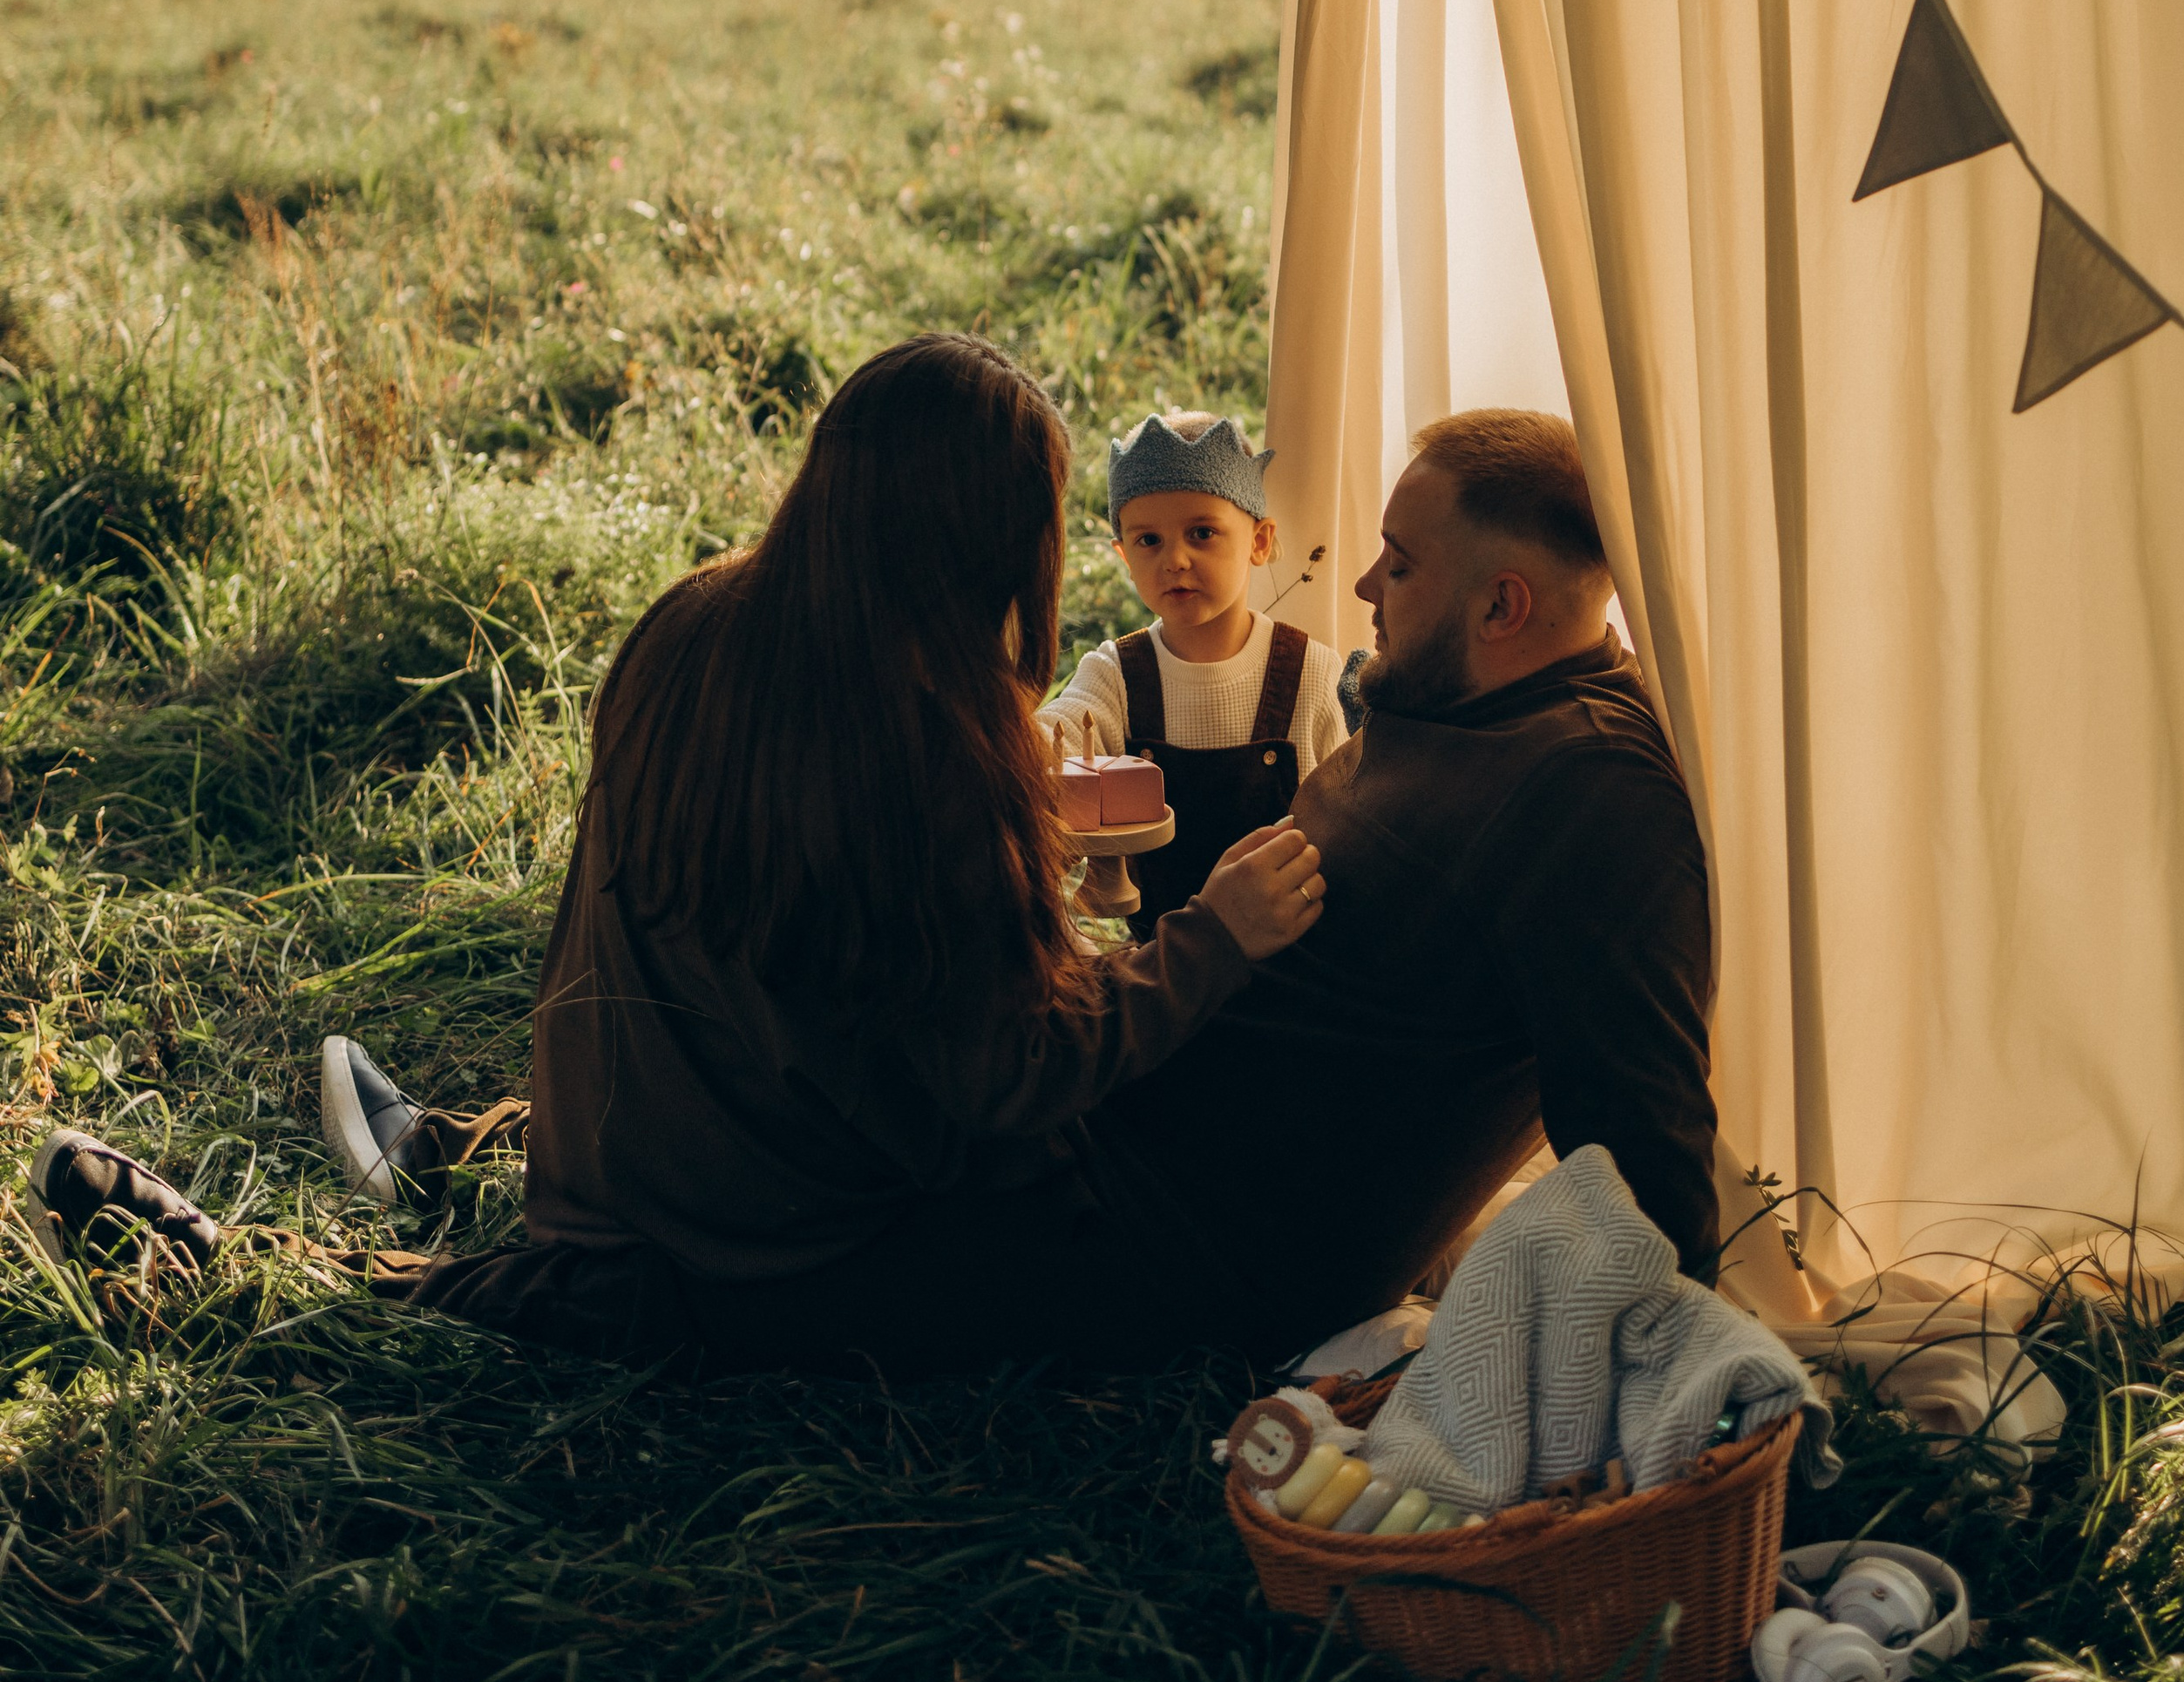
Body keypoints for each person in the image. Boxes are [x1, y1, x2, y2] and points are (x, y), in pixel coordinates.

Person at [25, 336, 1325, 1377]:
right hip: (771, 1234)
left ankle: (453, 1161)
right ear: (1007, 544)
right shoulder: (928, 734)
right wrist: (1213, 937)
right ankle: (227, 1274)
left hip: (636, 1134)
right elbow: (1013, 1072)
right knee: (1083, 1258)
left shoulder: (697, 619)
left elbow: (760, 955)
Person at [1075, 409, 1718, 1361]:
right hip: (1118, 1107)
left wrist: (1660, 1381)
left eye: (1401, 564)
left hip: (1166, 1235)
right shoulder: (1459, 692)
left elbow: (1646, 1139)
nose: (1366, 585)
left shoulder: (1590, 792)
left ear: (1502, 607)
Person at [1041, 410, 1348, 938]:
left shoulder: (1312, 673)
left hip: (1295, 971)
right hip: (1165, 978)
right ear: (1123, 556)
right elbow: (1058, 735)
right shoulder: (1116, 673)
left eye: (1202, 532)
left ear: (1258, 540)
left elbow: (1349, 822)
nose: (1175, 559)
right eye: (1148, 541)